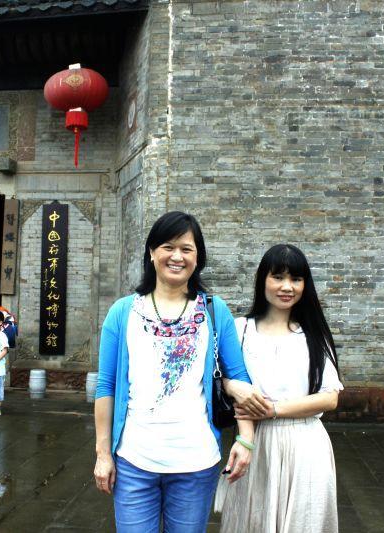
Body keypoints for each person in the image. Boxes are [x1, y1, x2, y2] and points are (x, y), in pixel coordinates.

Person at [93, 211, 260, 532]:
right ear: (152, 252)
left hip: (196, 462)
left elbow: (239, 377)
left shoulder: (214, 310)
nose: (177, 256)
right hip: (133, 461)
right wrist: (103, 453)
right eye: (168, 247)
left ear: (198, 258)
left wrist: (246, 439)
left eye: (187, 249)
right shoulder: (123, 312)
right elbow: (106, 387)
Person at [218, 244, 343, 533]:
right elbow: (220, 375)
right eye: (278, 277)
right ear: (262, 280)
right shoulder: (240, 329)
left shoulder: (313, 334)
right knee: (252, 522)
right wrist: (231, 385)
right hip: (255, 443)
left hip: (305, 444)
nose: (287, 287)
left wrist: (273, 409)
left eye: (296, 279)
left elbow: (330, 398)